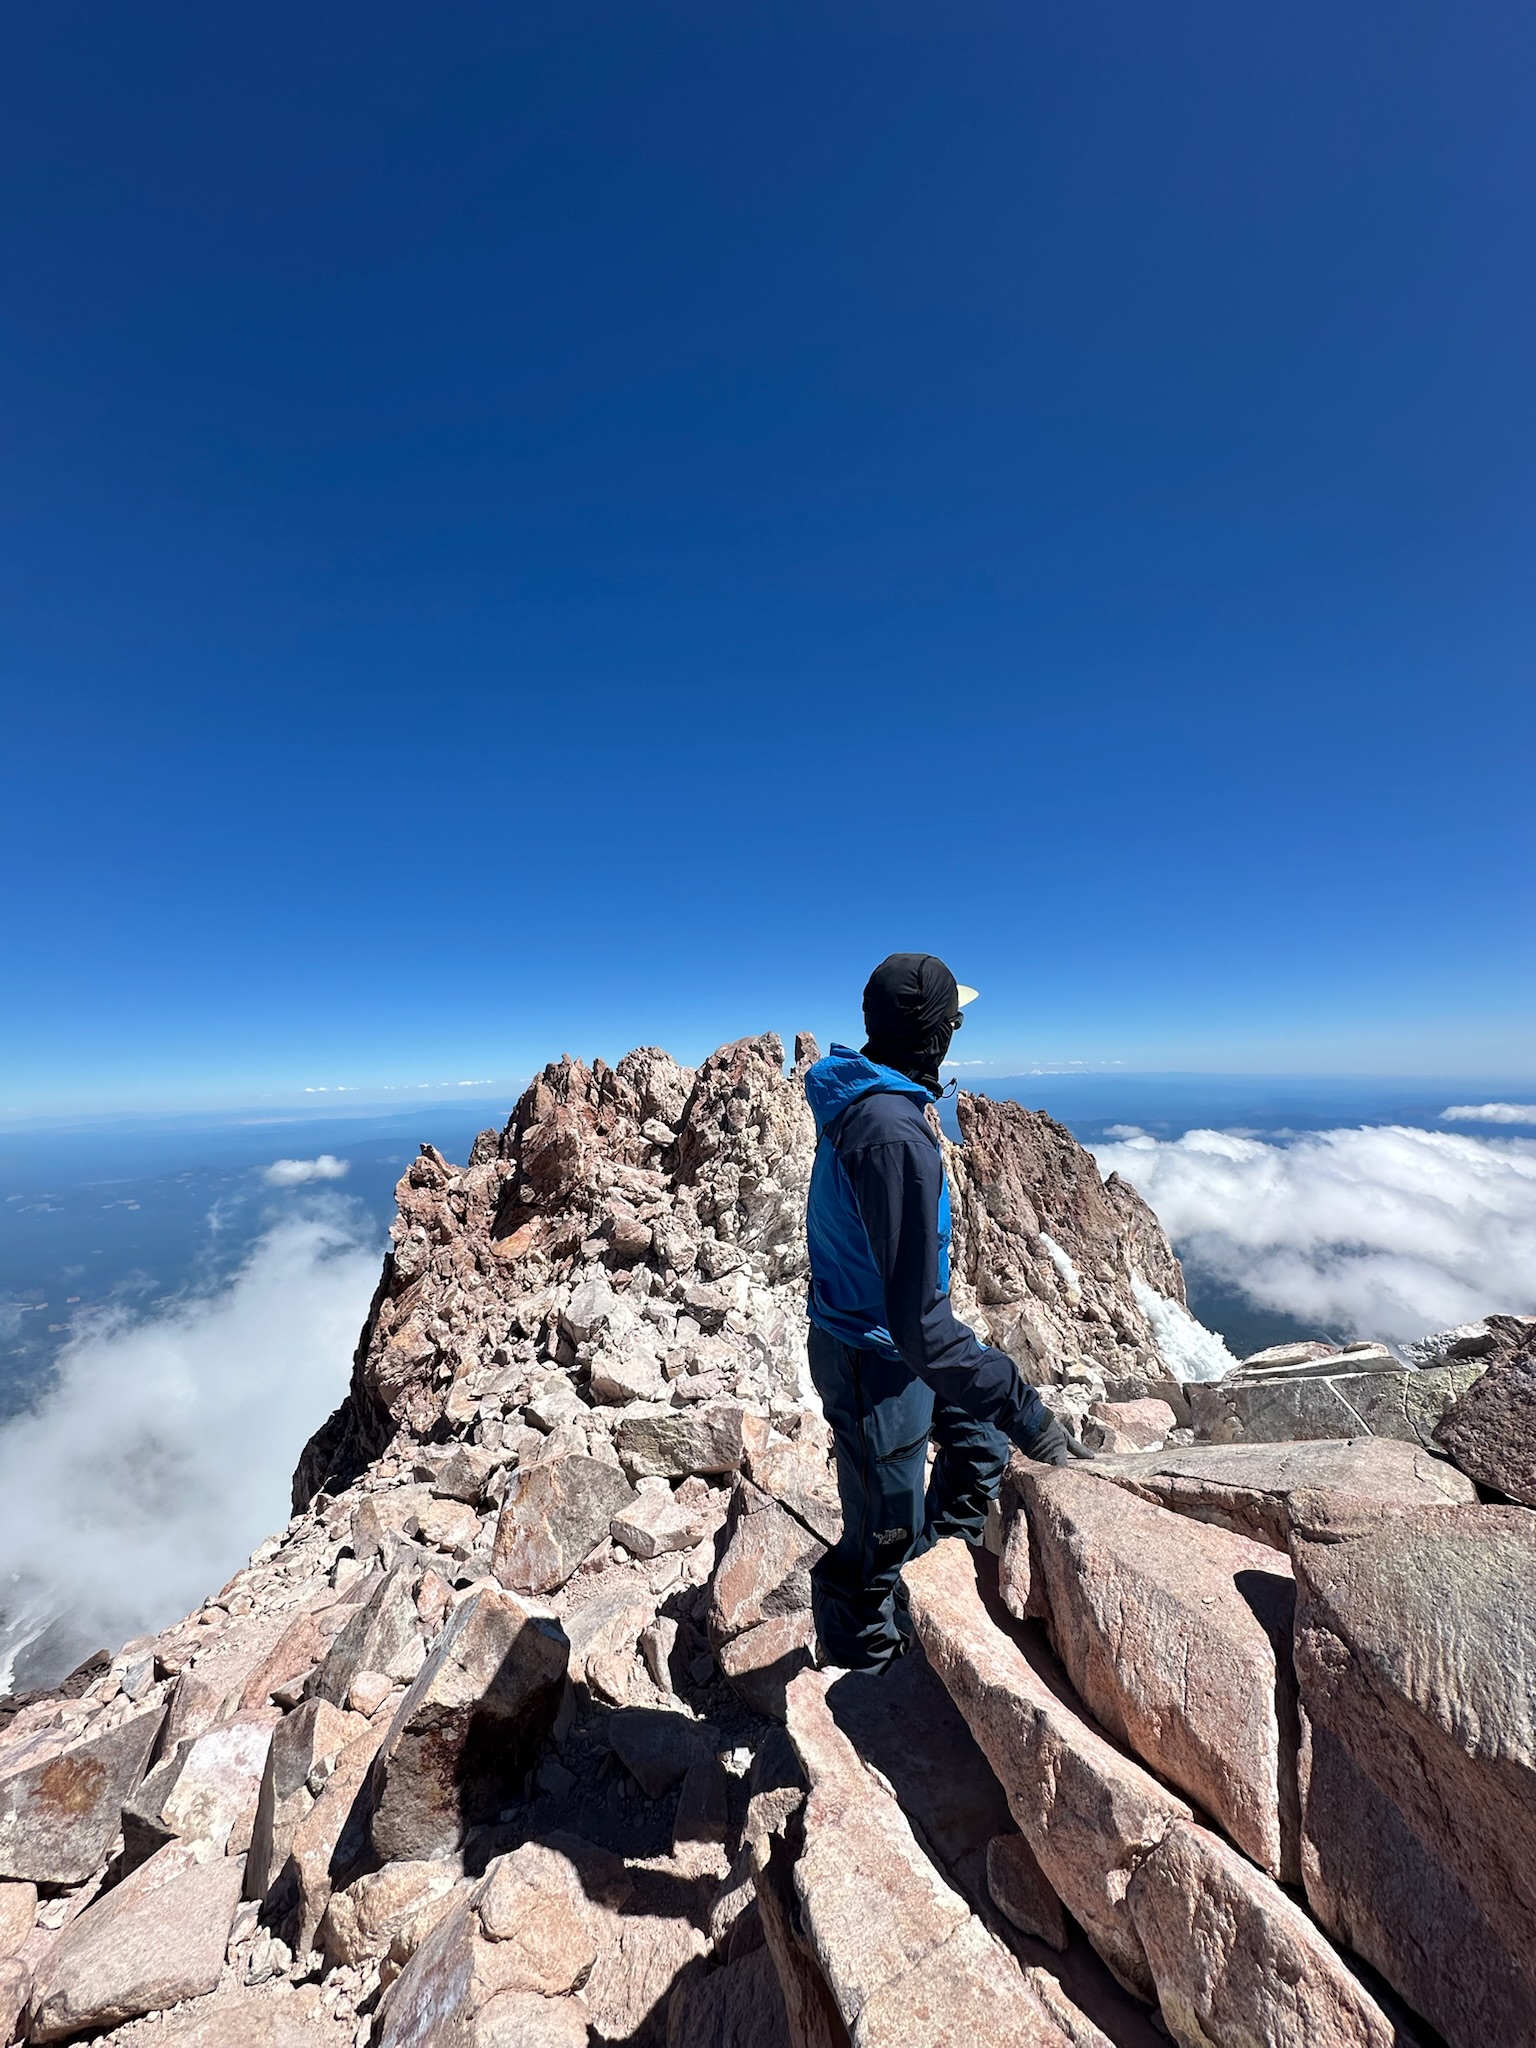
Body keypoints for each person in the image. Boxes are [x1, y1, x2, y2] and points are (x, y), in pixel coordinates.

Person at [802, 952, 1081, 1672]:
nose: (956, 1030)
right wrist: (1030, 1413)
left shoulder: (881, 1101)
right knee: (879, 1540)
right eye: (953, 1019)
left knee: (980, 1448)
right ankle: (864, 1683)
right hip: (876, 1354)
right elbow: (918, 1329)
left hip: (895, 1338)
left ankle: (927, 1599)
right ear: (935, 1036)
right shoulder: (891, 1132)